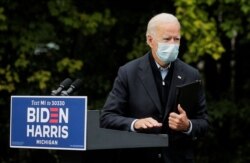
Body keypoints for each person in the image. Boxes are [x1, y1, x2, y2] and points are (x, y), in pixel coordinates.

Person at [100, 12, 209, 163]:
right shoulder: (128, 73)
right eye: (166, 39)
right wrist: (135, 124)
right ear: (150, 40)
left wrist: (187, 125)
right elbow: (107, 117)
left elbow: (204, 122)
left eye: (176, 39)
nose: (172, 44)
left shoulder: (191, 74)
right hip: (138, 157)